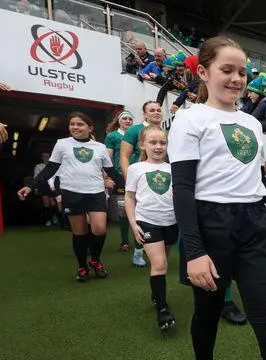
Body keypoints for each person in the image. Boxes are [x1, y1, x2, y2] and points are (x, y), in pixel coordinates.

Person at [168, 36, 266, 359]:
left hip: (254, 225)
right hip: (210, 226)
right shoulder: (189, 119)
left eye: (242, 72)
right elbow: (182, 187)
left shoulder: (251, 123)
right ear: (204, 73)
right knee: (207, 316)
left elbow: (255, 182)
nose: (237, 79)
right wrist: (194, 252)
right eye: (227, 70)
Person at [18, 112, 124, 282]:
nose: (75, 127)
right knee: (80, 232)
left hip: (95, 192)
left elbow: (110, 171)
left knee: (99, 229)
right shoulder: (62, 144)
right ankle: (82, 266)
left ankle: (95, 259)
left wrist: (128, 186)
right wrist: (31, 186)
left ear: (90, 128)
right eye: (72, 124)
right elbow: (51, 168)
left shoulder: (100, 147)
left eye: (80, 124)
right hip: (72, 192)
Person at [125, 126, 177, 330]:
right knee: (160, 265)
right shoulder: (136, 169)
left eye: (162, 142)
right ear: (143, 145)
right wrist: (133, 223)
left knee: (161, 265)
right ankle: (162, 310)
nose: (158, 146)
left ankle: (156, 293)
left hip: (171, 223)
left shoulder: (173, 169)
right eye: (153, 142)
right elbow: (129, 198)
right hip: (147, 222)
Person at [120, 101, 164, 267]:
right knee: (141, 216)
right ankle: (138, 252)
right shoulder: (133, 130)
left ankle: (157, 247)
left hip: (160, 179)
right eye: (152, 110)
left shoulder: (164, 131)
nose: (156, 112)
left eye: (159, 110)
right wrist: (129, 180)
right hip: (140, 180)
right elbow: (124, 156)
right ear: (144, 114)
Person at [105, 110, 134, 251]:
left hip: (137, 175)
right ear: (119, 121)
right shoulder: (112, 136)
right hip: (120, 176)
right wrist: (107, 175)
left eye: (130, 119)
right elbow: (108, 157)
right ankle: (124, 241)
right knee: (124, 210)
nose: (128, 121)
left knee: (140, 208)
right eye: (125, 119)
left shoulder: (136, 134)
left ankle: (142, 241)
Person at [33, 152, 58, 226]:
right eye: (44, 156)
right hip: (43, 186)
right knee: (46, 203)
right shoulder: (38, 166)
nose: (46, 158)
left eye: (47, 156)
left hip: (52, 185)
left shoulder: (53, 166)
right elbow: (36, 177)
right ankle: (48, 219)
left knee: (53, 203)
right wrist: (36, 188)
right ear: (42, 158)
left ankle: (55, 217)